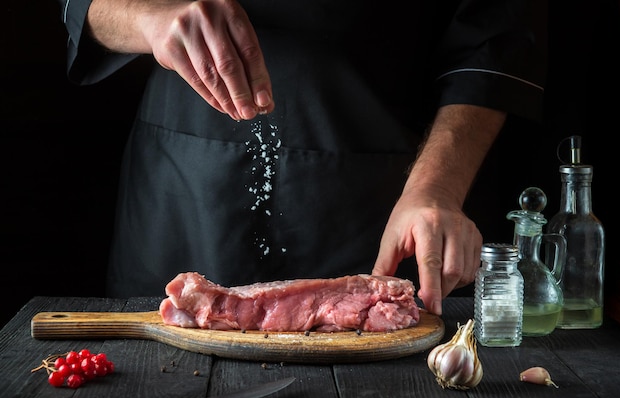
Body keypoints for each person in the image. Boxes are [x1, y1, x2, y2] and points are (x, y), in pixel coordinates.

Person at [55, 0, 546, 315]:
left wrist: (436, 187)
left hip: (377, 200)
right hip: (182, 192)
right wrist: (145, 16)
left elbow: (494, 37)